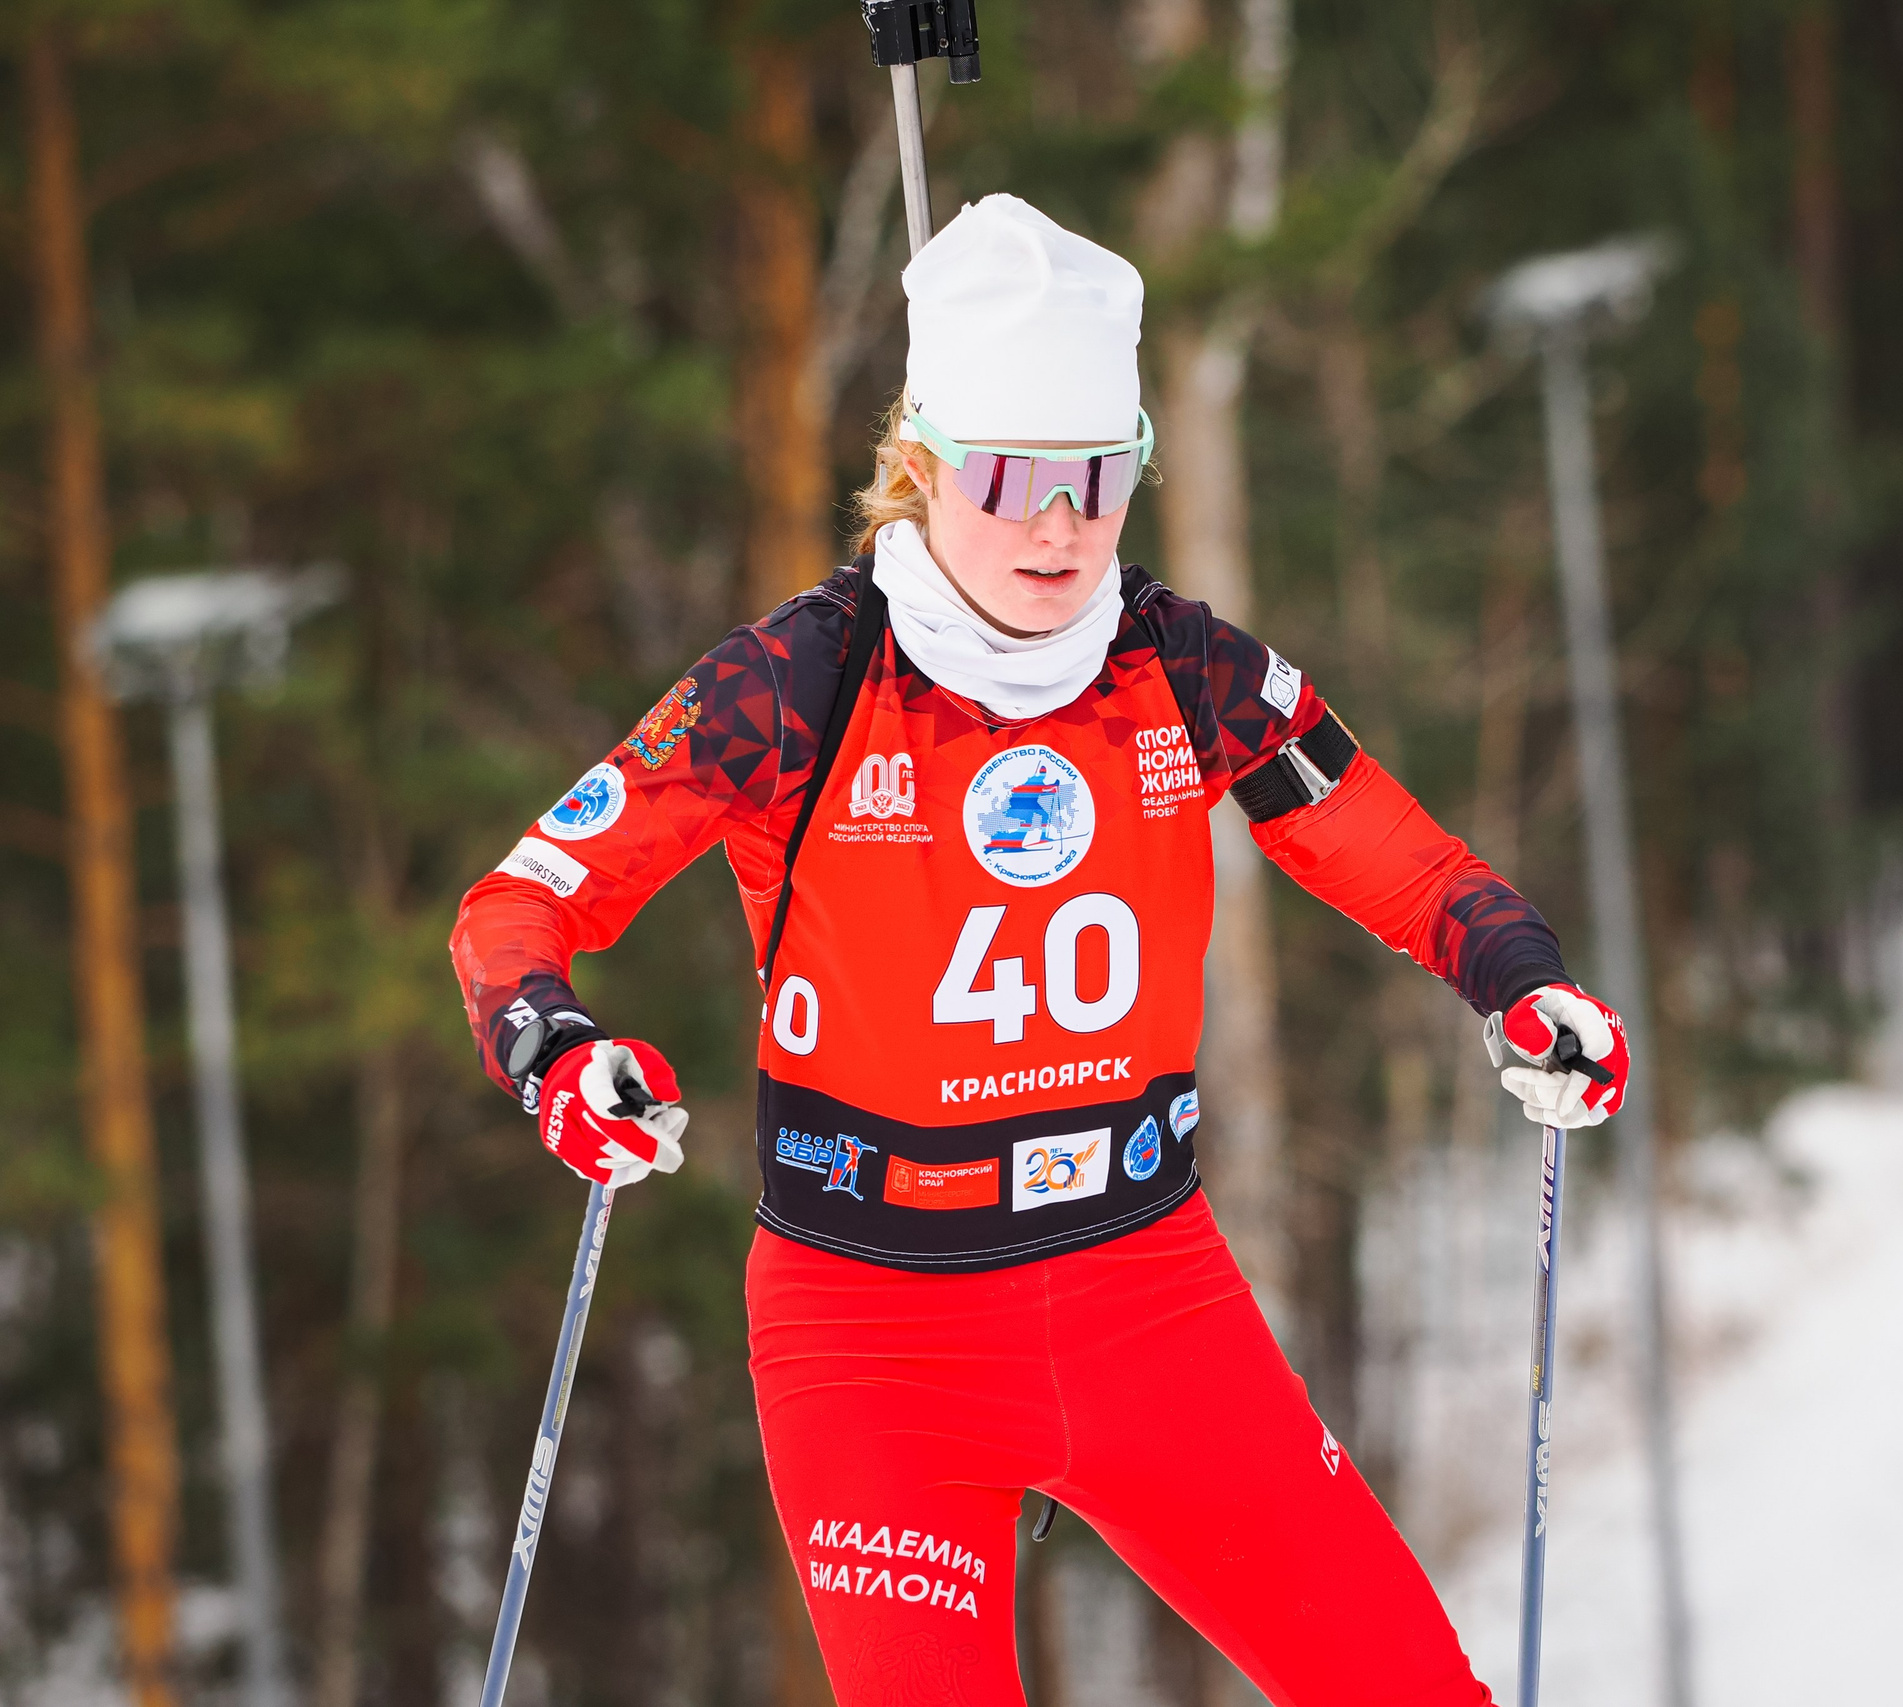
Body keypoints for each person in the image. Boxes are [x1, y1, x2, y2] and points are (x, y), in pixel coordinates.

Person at [449, 194, 1631, 1706]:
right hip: (875, 1330)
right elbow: (518, 903)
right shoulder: (799, 681)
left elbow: (1397, 855)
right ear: (921, 465)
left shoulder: (1181, 667)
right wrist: (557, 1047)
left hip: (1149, 1298)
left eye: (1099, 472)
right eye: (1010, 477)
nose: (1060, 524)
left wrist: (1521, 977)